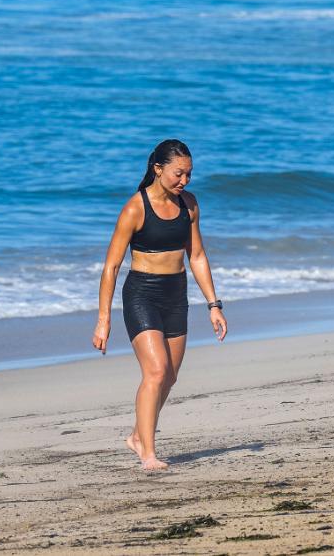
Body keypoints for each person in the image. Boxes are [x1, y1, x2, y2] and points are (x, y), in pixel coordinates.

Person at [92, 139, 228, 469]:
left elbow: (196, 255)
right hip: (141, 294)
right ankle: (148, 454)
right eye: (178, 174)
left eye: (189, 175)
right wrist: (103, 319)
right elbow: (111, 266)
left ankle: (138, 435)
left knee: (169, 377)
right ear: (158, 169)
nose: (184, 181)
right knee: (155, 371)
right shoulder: (135, 209)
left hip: (175, 294)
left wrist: (214, 304)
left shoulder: (190, 205)